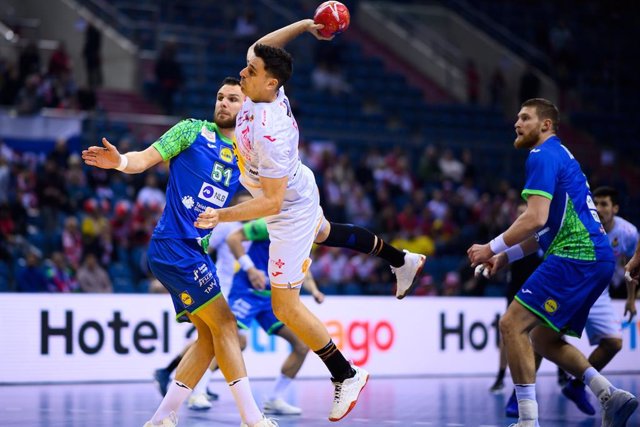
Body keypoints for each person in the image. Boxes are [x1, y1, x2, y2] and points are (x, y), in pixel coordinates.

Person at [194, 19, 426, 422]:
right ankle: (400, 259)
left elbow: (270, 203)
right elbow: (261, 46)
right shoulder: (263, 89)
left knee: (285, 305)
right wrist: (306, 26)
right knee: (326, 232)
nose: (244, 71)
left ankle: (346, 374)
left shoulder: (272, 131)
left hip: (288, 208)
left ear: (270, 84)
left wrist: (223, 216)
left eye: (252, 71)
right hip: (299, 186)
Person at [82, 77, 277, 427]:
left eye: (233, 98)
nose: (223, 103)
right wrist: (121, 163)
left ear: (245, 108)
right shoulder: (191, 131)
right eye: (220, 97)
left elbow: (267, 200)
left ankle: (162, 417)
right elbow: (143, 160)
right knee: (227, 326)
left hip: (194, 252)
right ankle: (252, 419)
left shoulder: (247, 156)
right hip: (174, 244)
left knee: (209, 338)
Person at [467, 98, 638, 427]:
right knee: (543, 338)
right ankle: (610, 396)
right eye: (516, 117)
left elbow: (534, 218)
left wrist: (489, 247)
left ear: (545, 125)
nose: (517, 123)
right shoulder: (562, 156)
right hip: (597, 259)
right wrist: (505, 257)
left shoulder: (541, 154)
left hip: (577, 255)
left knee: (510, 325)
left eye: (525, 117)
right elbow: (544, 232)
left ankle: (527, 421)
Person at [490, 202, 543, 395]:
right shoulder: (511, 237)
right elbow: (498, 257)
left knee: (544, 333)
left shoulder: (542, 236)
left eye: (525, 212)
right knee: (507, 332)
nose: (522, 215)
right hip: (514, 290)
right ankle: (500, 376)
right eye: (519, 213)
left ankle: (562, 374)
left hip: (537, 289)